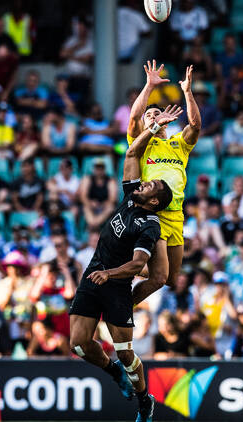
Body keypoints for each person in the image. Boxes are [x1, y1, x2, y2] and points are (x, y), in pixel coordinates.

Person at [69, 105, 178, 422]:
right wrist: (153, 127)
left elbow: (135, 265)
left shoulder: (149, 224)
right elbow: (132, 154)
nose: (146, 183)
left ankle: (145, 400)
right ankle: (110, 369)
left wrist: (109, 274)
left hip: (114, 283)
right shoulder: (131, 197)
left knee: (127, 354)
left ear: (155, 201)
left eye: (152, 186)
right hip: (95, 274)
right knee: (78, 345)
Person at [127, 61, 201, 306]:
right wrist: (149, 86)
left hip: (176, 214)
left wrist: (188, 93)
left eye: (157, 113)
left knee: (170, 278)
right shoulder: (142, 143)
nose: (152, 117)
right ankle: (125, 304)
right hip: (153, 212)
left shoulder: (178, 144)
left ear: (167, 120)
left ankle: (129, 265)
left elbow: (195, 126)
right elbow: (135, 117)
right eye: (149, 115)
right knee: (159, 277)